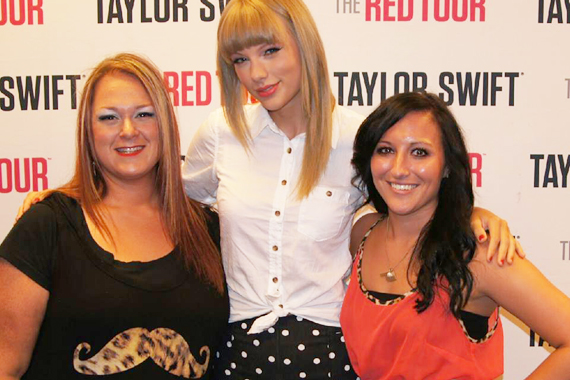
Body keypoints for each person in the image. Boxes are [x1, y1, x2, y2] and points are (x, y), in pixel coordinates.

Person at [180, 0, 523, 379]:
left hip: (329, 353)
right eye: (239, 60)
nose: (256, 73)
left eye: (270, 50)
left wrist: (473, 217)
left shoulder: (358, 139)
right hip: (238, 351)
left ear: (304, 44)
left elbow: (409, 205)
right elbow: (182, 211)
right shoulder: (220, 133)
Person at [0, 53, 229, 379]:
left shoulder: (210, 231)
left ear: (164, 125)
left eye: (144, 114)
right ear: (87, 132)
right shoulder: (46, 226)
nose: (127, 130)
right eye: (109, 117)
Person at [340, 92, 570, 379]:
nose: (399, 169)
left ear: (448, 165)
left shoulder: (479, 254)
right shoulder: (362, 233)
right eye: (385, 150)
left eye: (419, 152)